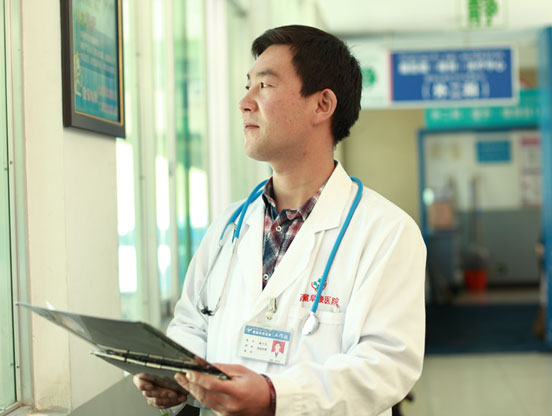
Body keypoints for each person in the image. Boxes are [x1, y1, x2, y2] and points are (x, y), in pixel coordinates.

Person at [134, 25, 426, 416]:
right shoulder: (229, 225)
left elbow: (386, 366)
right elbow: (191, 324)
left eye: (265, 86)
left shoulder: (386, 232)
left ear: (322, 105)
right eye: (247, 86)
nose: (244, 102)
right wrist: (176, 375)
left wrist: (276, 397)